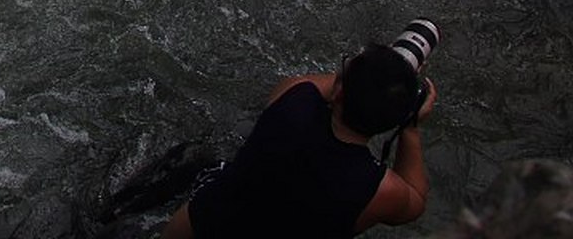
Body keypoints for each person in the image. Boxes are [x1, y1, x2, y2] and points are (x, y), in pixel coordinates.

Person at [160, 44, 436, 239]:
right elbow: (416, 200)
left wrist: (375, 69)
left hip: (196, 229)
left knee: (194, 162)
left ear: (340, 90)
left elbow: (330, 85)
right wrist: (410, 127)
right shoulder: (379, 190)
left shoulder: (292, 103)